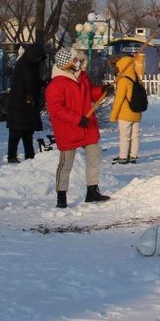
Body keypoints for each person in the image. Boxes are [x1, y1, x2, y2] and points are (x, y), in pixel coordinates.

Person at [45, 46, 109, 208]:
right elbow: (57, 110)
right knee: (66, 163)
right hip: (68, 129)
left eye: (79, 60)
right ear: (66, 63)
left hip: (87, 126)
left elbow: (91, 94)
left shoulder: (82, 77)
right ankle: (61, 196)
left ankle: (92, 191)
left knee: (94, 157)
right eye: (75, 60)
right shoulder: (55, 85)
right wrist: (77, 119)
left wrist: (103, 90)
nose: (79, 63)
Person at [6, 44, 46, 163]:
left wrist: (41, 83)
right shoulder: (26, 65)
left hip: (24, 105)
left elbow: (33, 82)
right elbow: (29, 82)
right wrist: (31, 94)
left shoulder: (29, 64)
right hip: (21, 105)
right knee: (17, 132)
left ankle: (29, 155)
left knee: (27, 132)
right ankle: (13, 156)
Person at [110, 53, 143, 164]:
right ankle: (133, 156)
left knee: (124, 136)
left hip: (125, 114)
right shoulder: (137, 79)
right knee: (135, 136)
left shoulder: (124, 80)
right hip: (137, 112)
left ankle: (123, 157)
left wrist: (113, 115)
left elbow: (119, 99)